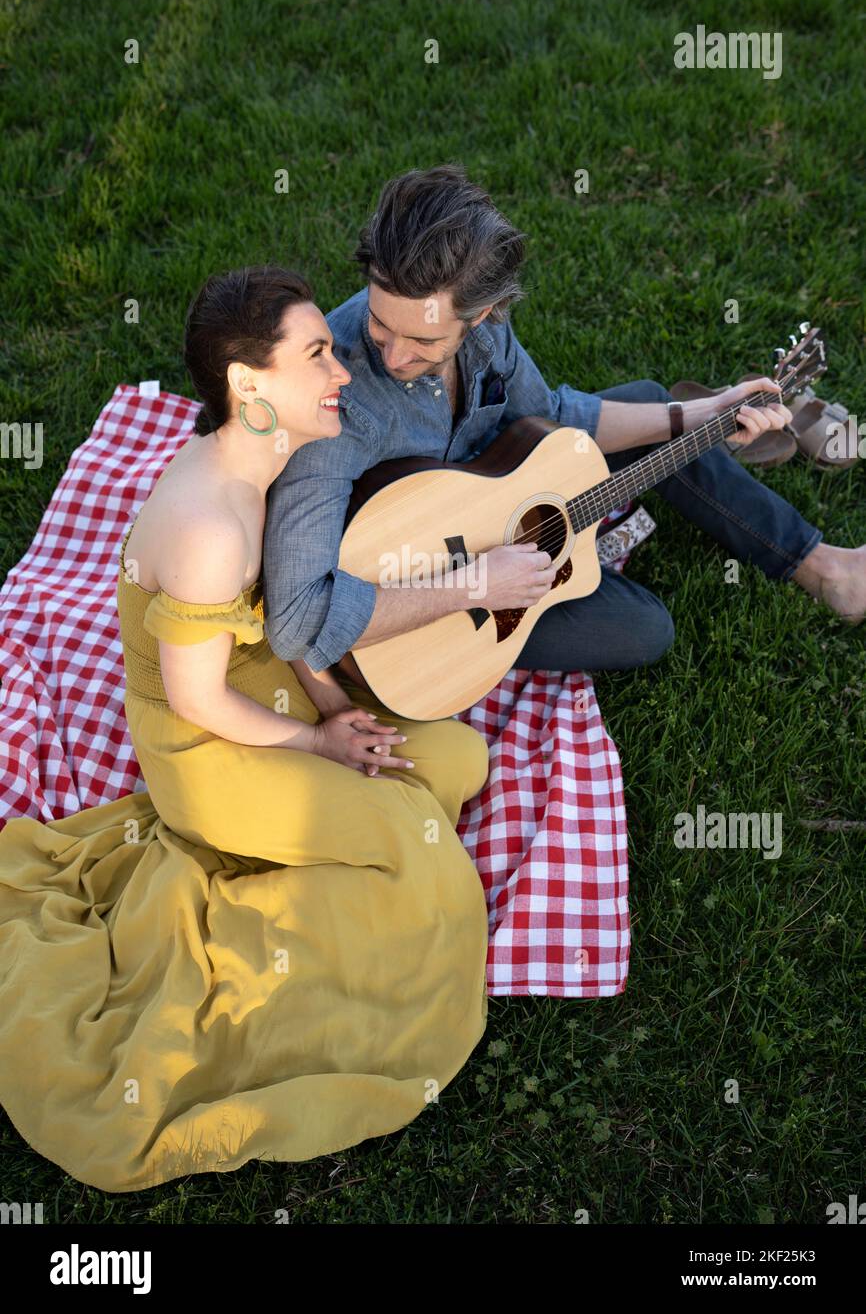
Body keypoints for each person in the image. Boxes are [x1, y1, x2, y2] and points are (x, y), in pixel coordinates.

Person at [0, 265, 491, 1193]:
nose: (343, 371)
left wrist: (336, 703)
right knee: (414, 850)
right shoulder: (211, 526)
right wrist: (318, 743)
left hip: (264, 690)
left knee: (454, 753)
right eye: (319, 355)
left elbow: (289, 608)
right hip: (211, 750)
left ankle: (317, 825)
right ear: (249, 387)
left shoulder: (263, 459)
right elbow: (195, 703)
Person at [261, 165, 865, 688]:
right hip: (414, 607)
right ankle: (521, 604)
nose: (392, 357)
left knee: (652, 405)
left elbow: (552, 417)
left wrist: (704, 412)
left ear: (487, 312)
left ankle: (824, 569)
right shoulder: (336, 400)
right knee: (645, 628)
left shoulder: (490, 331)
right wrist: (475, 586)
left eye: (423, 340)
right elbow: (295, 620)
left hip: (483, 500)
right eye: (379, 325)